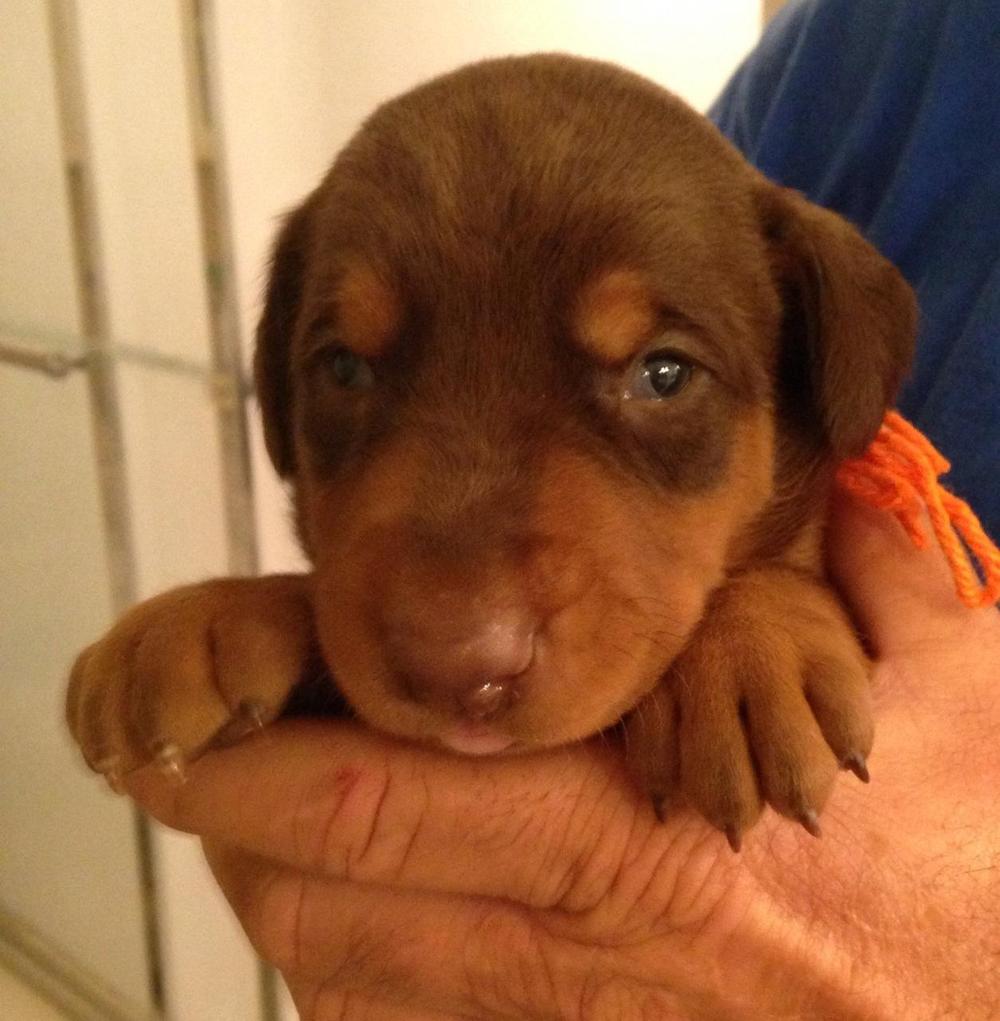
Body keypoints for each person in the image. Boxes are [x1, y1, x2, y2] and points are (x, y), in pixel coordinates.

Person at [127, 1, 1000, 1016]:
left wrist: (775, 608)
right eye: (347, 372)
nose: (461, 629)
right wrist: (279, 646)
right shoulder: (872, 40)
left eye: (661, 372)